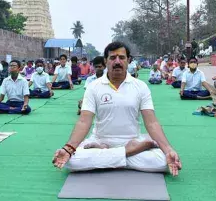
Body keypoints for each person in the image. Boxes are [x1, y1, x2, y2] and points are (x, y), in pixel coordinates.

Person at [52, 42, 182, 176]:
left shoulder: (140, 86)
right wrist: (68, 148)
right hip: (100, 140)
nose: (117, 62)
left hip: (132, 139)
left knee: (162, 161)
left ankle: (109, 157)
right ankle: (127, 153)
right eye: (113, 58)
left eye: (122, 57)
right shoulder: (94, 87)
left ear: (128, 60)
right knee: (72, 161)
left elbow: (151, 122)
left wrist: (168, 150)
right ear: (105, 61)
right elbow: (84, 121)